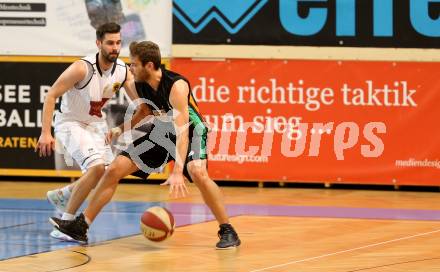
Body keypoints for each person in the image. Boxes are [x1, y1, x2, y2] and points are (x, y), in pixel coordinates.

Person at [50, 41, 241, 249]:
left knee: (197, 172)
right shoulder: (140, 83)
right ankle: (81, 225)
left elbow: (182, 133)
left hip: (191, 131)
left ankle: (227, 229)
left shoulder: (176, 85)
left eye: (134, 64)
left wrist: (177, 170)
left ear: (149, 65)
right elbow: (145, 112)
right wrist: (119, 130)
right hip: (162, 132)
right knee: (114, 169)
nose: (130, 68)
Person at [36, 22, 146, 240]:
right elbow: (51, 95)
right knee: (96, 167)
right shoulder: (82, 67)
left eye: (118, 43)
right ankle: (65, 223)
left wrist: (155, 108)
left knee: (107, 173)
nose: (115, 47)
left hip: (96, 124)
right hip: (70, 122)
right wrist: (45, 133)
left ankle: (64, 194)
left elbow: (141, 104)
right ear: (98, 43)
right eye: (110, 43)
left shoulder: (122, 71)